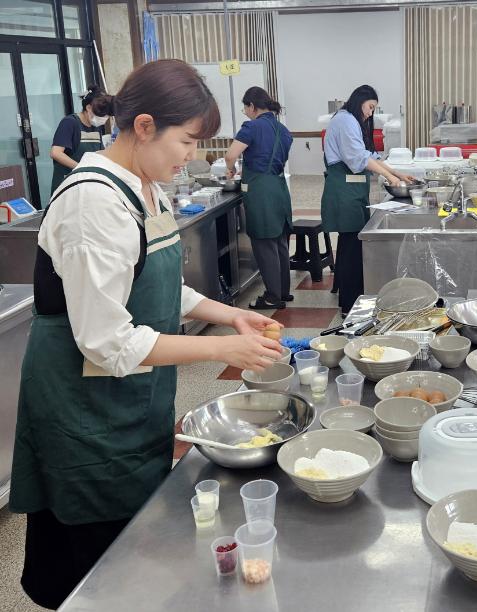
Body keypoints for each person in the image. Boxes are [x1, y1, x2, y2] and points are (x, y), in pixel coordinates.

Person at [10, 59, 284, 609]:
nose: (190, 156)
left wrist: (230, 316)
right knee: (96, 572)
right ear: (143, 126)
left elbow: (159, 287)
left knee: (134, 549)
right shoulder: (93, 201)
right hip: (84, 408)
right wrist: (221, 347)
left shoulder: (144, 188)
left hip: (130, 399)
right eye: (186, 141)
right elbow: (106, 341)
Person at [320, 85, 414, 313]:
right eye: (370, 107)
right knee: (351, 246)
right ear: (360, 100)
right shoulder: (345, 120)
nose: (371, 113)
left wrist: (397, 173)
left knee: (350, 243)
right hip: (344, 192)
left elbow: (368, 155)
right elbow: (357, 159)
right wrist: (389, 177)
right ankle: (349, 304)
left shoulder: (350, 119)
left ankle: (347, 295)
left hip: (352, 191)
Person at [224, 87, 294, 310]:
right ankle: (283, 291)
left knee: (264, 244)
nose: (246, 113)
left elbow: (230, 155)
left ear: (252, 106)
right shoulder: (283, 130)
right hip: (279, 188)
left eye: (245, 108)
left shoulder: (251, 127)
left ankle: (272, 296)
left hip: (260, 191)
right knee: (280, 241)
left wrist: (231, 169)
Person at [49, 85, 109, 198]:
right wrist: (81, 168)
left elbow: (100, 153)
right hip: (68, 184)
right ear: (89, 107)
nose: (103, 117)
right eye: (100, 112)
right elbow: (55, 153)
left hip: (86, 183)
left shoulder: (95, 126)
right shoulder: (70, 123)